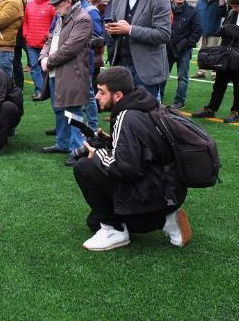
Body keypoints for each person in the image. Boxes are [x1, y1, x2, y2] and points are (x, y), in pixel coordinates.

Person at [73, 66, 191, 251]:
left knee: (84, 167)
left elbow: (125, 168)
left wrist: (98, 154)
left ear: (118, 95)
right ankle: (168, 220)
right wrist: (110, 142)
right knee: (94, 222)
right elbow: (143, 151)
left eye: (102, 92)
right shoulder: (146, 105)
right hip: (168, 190)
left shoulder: (126, 116)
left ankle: (116, 231)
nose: (97, 96)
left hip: (155, 193)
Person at [106, 0, 171, 100]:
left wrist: (130, 29)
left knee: (146, 118)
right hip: (121, 67)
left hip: (146, 70)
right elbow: (119, 26)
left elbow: (164, 34)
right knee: (123, 114)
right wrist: (113, 30)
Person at [38, 0, 92, 165]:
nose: (54, 8)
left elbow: (71, 48)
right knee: (60, 109)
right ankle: (62, 144)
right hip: (57, 72)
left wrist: (49, 60)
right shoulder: (62, 16)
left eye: (57, 4)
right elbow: (49, 39)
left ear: (68, 2)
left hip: (71, 73)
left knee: (73, 111)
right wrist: (43, 57)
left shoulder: (82, 18)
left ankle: (77, 149)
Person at [192, 0, 239, 123]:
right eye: (232, 6)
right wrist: (221, 31)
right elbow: (226, 28)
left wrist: (233, 29)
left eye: (236, 6)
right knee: (219, 83)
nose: (234, 8)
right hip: (227, 53)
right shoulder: (231, 13)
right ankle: (211, 109)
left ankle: (236, 112)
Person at [67, 0, 104, 131]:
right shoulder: (68, 8)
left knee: (87, 95)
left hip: (82, 61)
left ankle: (93, 128)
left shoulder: (90, 10)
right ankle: (69, 125)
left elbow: (98, 38)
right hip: (67, 60)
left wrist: (76, 42)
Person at [160, 0, 202, 109]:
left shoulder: (192, 11)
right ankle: (158, 98)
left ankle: (179, 101)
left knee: (182, 77)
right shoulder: (165, 9)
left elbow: (197, 30)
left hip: (184, 50)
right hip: (167, 47)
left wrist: (187, 44)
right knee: (162, 75)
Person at [22, 0, 55, 100]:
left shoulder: (52, 5)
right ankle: (40, 91)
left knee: (46, 67)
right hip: (31, 42)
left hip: (45, 43)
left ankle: (48, 90)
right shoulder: (29, 4)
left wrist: (47, 35)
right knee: (34, 67)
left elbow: (55, 23)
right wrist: (25, 34)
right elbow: (25, 21)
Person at [193, 0, 227, 79]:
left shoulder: (220, 0)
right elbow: (196, 14)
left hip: (214, 31)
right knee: (201, 51)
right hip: (201, 31)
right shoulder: (200, 0)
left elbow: (224, 14)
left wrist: (222, 6)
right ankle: (201, 72)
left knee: (213, 53)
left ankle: (214, 73)